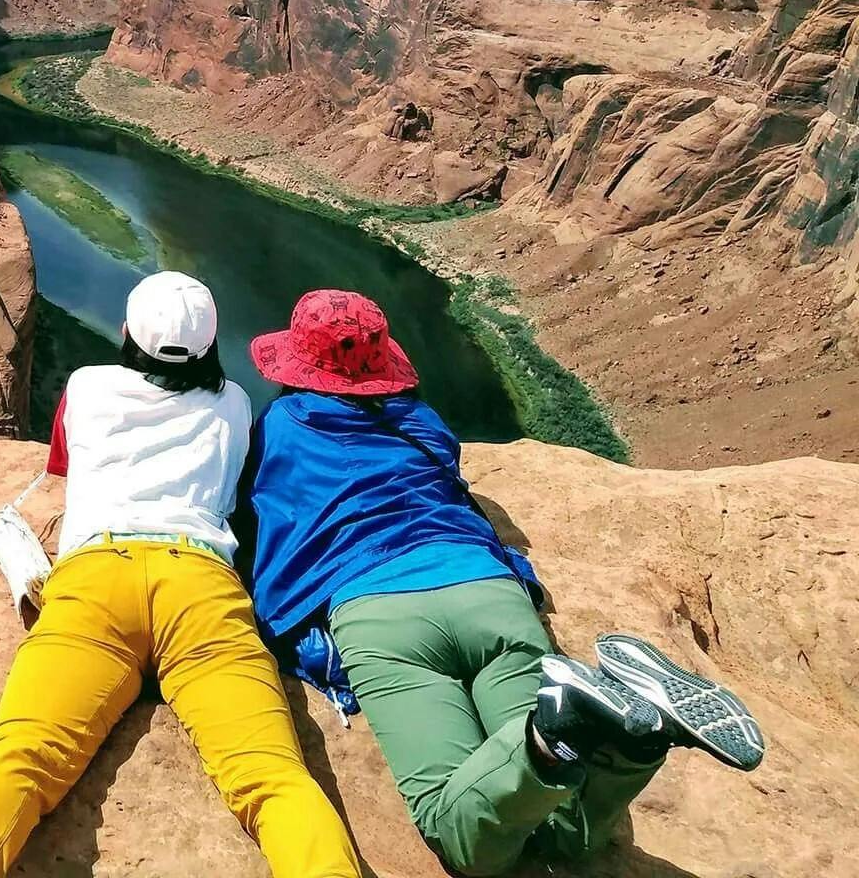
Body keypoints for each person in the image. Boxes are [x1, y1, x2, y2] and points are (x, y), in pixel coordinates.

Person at [240, 288, 766, 877]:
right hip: (490, 591)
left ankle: (551, 735)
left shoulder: (280, 427)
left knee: (464, 840)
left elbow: (258, 516)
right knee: (566, 832)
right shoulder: (423, 422)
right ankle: (627, 743)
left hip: (381, 613)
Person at [0, 272, 361, 878]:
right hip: (201, 588)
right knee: (273, 777)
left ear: (126, 333)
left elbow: (64, 469)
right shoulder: (233, 402)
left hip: (96, 582)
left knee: (22, 758)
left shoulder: (85, 385)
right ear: (212, 344)